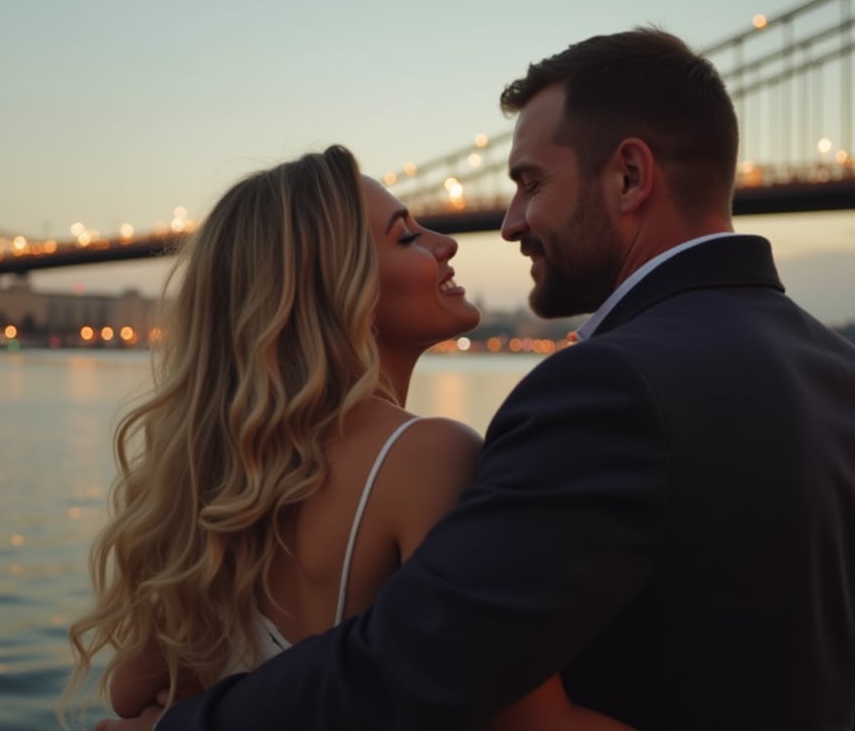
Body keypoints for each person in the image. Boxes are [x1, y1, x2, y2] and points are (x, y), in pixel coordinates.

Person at [143, 29, 855, 731]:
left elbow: (424, 666)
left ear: (629, 177)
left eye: (529, 182)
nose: (507, 223)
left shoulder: (608, 387)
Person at [63, 145, 633, 731]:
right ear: (337, 290)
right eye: (407, 238)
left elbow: (135, 694)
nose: (448, 243)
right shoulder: (428, 457)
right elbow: (525, 723)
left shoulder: (219, 476)